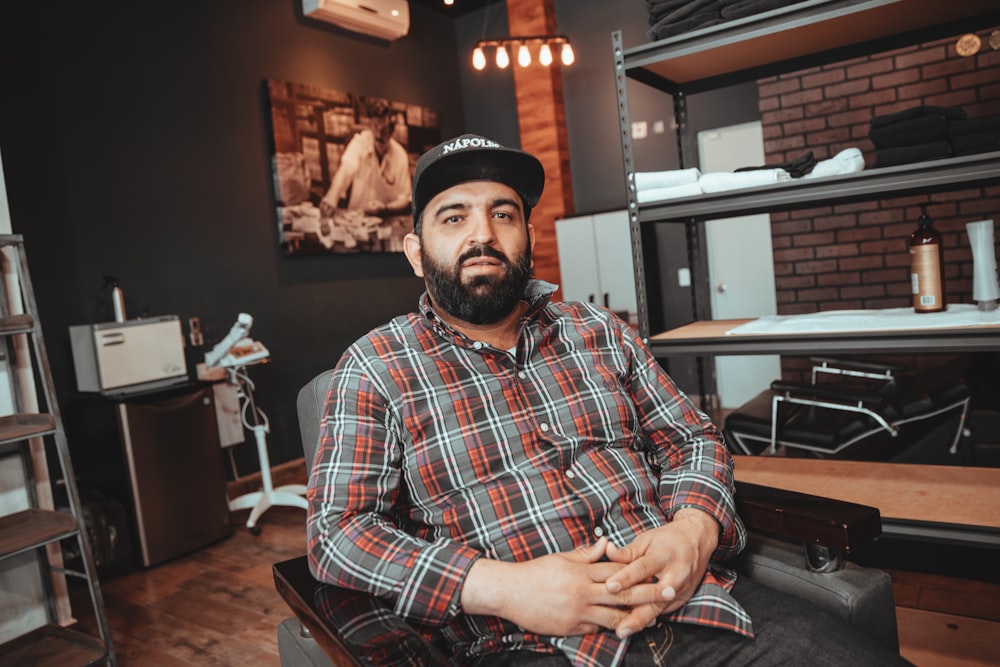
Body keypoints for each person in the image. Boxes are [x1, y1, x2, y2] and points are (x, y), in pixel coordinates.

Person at [306, 134, 911, 666]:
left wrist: (694, 530)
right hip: (526, 645)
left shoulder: (600, 330)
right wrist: (501, 587)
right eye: (454, 218)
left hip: (700, 610)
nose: (482, 235)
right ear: (416, 252)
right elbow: (336, 533)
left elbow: (691, 438)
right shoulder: (376, 367)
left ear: (529, 238)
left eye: (502, 214)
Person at [318, 98, 411, 217]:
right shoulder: (360, 143)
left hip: (386, 220)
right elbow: (345, 170)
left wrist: (385, 209)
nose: (378, 134)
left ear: (392, 129)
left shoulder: (400, 155)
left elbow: (406, 199)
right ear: (370, 125)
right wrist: (331, 197)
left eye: (384, 129)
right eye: (375, 127)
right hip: (357, 217)